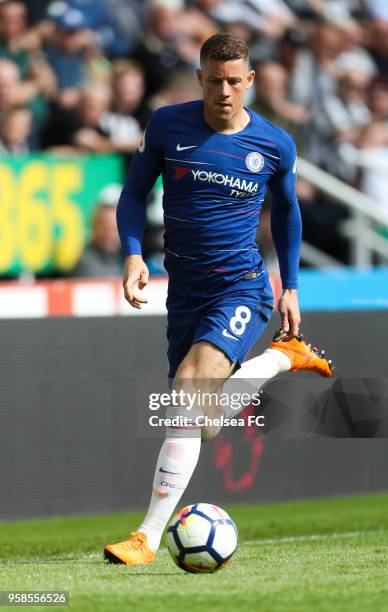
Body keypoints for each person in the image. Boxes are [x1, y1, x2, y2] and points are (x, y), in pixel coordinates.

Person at [104, 33, 333, 566]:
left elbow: (288, 214)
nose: (224, 91)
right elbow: (134, 192)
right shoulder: (167, 125)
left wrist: (290, 286)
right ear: (200, 79)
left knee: (186, 389)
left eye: (235, 81)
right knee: (200, 421)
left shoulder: (274, 144)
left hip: (242, 287)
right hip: (184, 292)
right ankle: (283, 357)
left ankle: (147, 537)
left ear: (249, 81)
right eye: (215, 80)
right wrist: (134, 255)